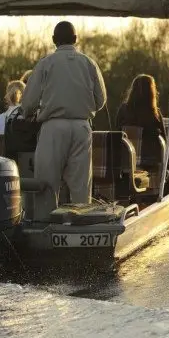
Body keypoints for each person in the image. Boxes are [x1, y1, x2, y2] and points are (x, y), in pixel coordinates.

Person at [19, 21, 107, 209]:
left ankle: (46, 224)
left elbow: (28, 103)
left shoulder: (45, 64)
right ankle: (80, 227)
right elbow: (101, 100)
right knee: (81, 187)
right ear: (75, 40)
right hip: (82, 127)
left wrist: (29, 114)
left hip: (53, 128)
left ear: (53, 40)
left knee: (47, 184)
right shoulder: (89, 63)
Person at [115, 74, 169, 189]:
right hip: (152, 165)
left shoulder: (122, 110)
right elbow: (164, 141)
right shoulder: (154, 113)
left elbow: (117, 133)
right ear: (152, 93)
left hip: (126, 163)